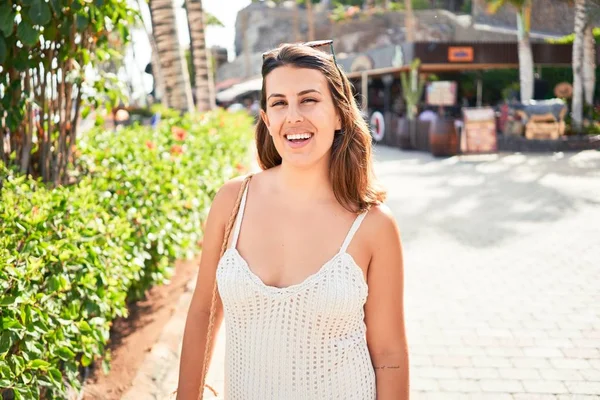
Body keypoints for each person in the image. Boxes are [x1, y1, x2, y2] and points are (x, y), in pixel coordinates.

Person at [177, 40, 409, 400]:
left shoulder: (373, 225)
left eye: (309, 100)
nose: (293, 116)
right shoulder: (231, 202)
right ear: (267, 120)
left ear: (339, 114)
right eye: (279, 103)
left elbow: (390, 354)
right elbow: (204, 311)